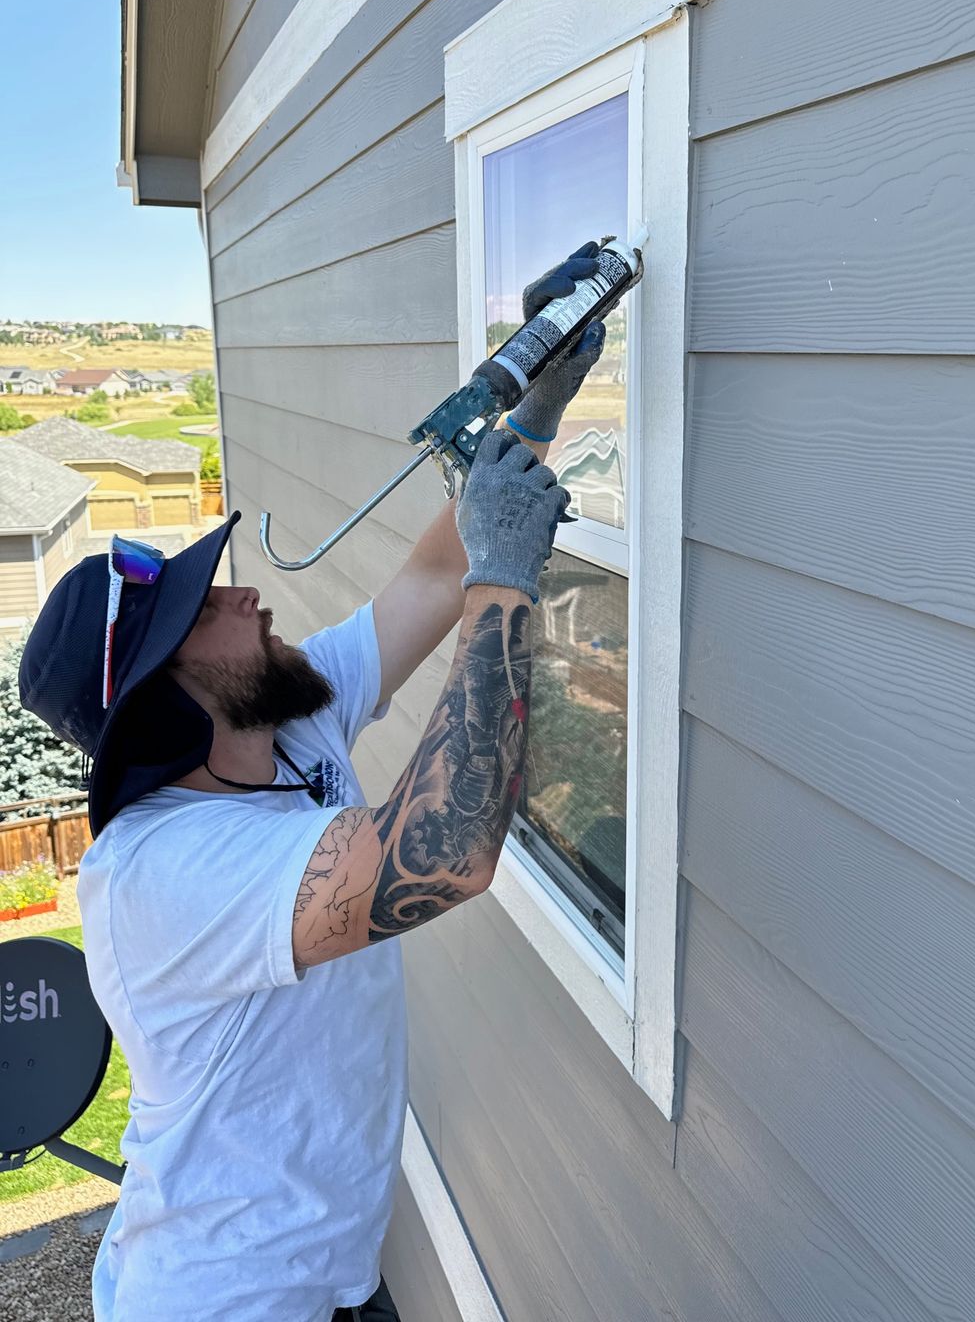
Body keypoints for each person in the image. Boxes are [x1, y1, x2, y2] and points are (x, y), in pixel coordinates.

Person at [17, 246, 607, 1322]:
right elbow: (444, 853)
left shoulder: (283, 721)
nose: (241, 595)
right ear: (164, 701)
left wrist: (533, 404)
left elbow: (435, 575)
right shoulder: (159, 877)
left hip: (325, 1276)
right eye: (206, 609)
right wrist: (511, 579)